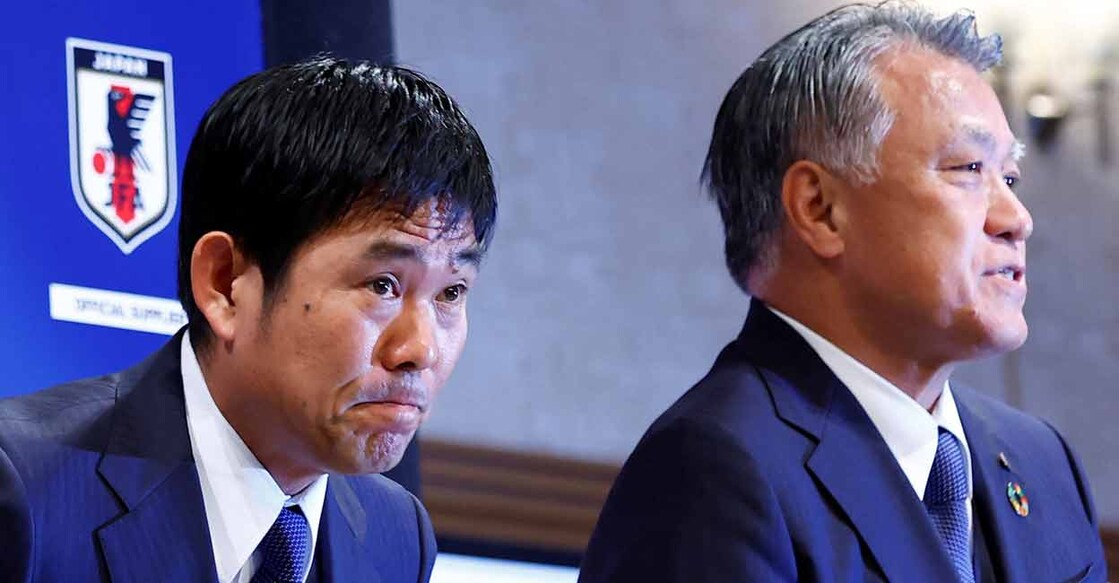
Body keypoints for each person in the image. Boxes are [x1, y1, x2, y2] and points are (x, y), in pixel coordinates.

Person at [579, 3, 1105, 582]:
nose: (1017, 219)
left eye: (1009, 177)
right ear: (820, 209)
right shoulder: (710, 470)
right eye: (968, 169)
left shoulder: (1040, 463)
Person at [0, 56, 497, 583]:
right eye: (382, 285)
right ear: (225, 284)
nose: (420, 349)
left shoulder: (396, 536)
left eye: (451, 293)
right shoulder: (24, 492)